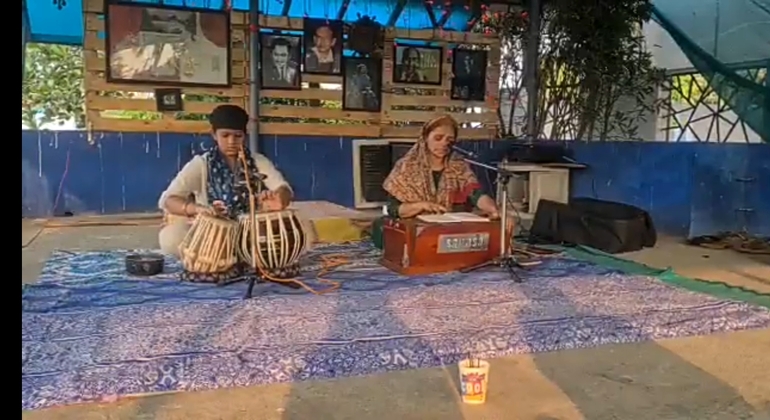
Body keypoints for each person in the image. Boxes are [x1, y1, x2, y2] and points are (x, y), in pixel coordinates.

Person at [157, 104, 296, 257]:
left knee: (299, 230)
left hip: (252, 232)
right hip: (212, 235)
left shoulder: (258, 161)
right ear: (214, 135)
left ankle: (242, 254)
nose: (231, 142)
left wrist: (280, 199)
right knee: (170, 238)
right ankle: (225, 255)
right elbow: (168, 200)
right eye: (225, 135)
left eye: (238, 136)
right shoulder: (201, 164)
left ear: (245, 135)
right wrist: (197, 209)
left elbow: (283, 188)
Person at [371, 115, 512, 248]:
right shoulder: (406, 166)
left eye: (449, 140)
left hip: (450, 226)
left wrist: (494, 209)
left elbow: (476, 194)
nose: (444, 143)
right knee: (386, 230)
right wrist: (421, 205)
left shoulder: (459, 165)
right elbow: (393, 209)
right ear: (425, 138)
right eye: (438, 138)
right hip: (414, 225)